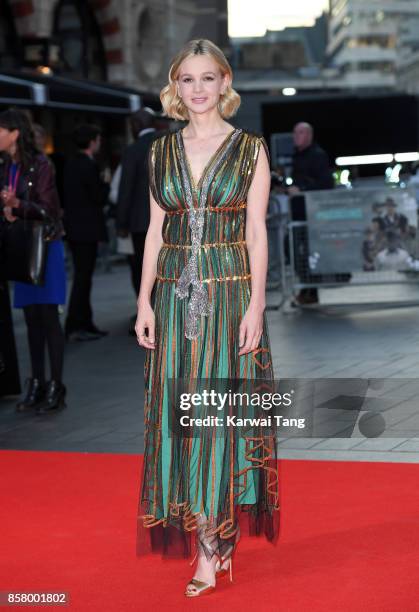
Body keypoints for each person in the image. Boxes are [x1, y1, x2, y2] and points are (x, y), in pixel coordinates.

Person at [135, 39, 279, 597]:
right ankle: (204, 536)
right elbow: (154, 231)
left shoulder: (250, 149)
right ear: (176, 86)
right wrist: (144, 300)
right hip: (172, 299)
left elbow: (257, 231)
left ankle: (212, 547)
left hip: (229, 295)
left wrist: (258, 304)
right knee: (180, 421)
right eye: (187, 79)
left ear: (225, 82)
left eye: (207, 78)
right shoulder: (160, 152)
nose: (197, 89)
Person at [0, 109, 67, 413]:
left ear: (14, 133)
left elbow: (49, 210)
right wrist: (10, 210)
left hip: (44, 247)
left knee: (48, 317)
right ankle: (36, 382)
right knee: (30, 319)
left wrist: (18, 205)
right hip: (20, 246)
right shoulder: (5, 166)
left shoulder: (40, 165)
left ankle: (56, 385)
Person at [63, 124, 109, 341]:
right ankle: (75, 324)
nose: (99, 143)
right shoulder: (89, 166)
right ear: (92, 142)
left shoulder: (70, 164)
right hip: (87, 229)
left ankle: (85, 322)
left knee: (83, 277)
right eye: (98, 140)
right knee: (83, 278)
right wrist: (106, 183)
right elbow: (98, 197)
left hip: (74, 228)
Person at [116, 108, 159, 334]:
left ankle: (146, 312)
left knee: (140, 269)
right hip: (168, 221)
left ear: (136, 125)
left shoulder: (132, 150)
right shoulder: (168, 143)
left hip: (140, 222)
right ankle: (166, 312)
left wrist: (121, 222)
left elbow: (126, 188)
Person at [288, 122, 336, 304]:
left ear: (309, 135)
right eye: (294, 133)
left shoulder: (317, 156)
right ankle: (308, 289)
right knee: (297, 251)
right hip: (299, 213)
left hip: (313, 215)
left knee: (307, 252)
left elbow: (326, 184)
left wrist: (302, 189)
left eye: (300, 133)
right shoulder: (297, 156)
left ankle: (309, 290)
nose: (295, 136)